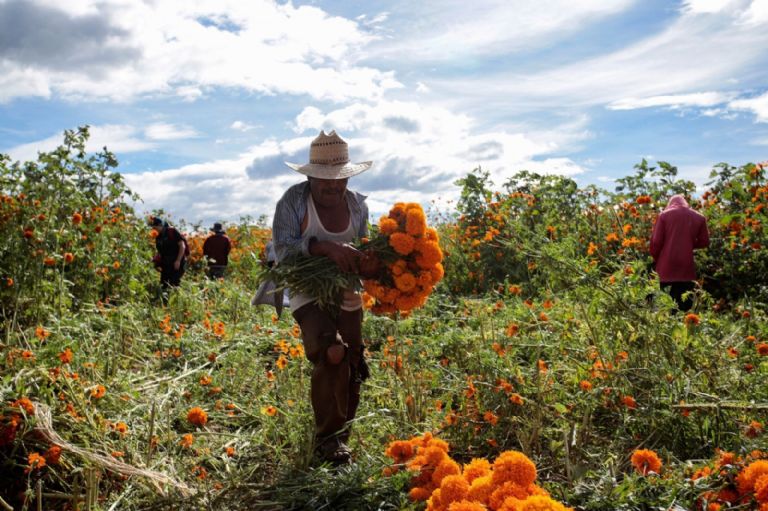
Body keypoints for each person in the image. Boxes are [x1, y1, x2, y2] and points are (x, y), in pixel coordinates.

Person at [272, 130, 378, 465]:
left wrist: (369, 262)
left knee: (353, 360)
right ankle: (328, 441)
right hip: (308, 288)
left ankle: (341, 436)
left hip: (347, 291)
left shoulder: (357, 205)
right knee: (331, 351)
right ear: (311, 176)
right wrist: (324, 247)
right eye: (325, 181)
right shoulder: (293, 201)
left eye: (339, 181)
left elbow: (362, 247)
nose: (333, 187)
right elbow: (284, 251)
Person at [649, 194, 710, 311]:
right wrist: (688, 245)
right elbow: (705, 241)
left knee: (664, 308)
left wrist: (656, 259)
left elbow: (656, 243)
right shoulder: (699, 217)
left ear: (670, 204)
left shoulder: (664, 216)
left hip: (665, 268)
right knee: (684, 307)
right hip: (686, 269)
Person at [150, 217, 187, 297]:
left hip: (177, 262)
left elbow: (182, 246)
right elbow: (160, 252)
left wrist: (178, 260)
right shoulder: (158, 236)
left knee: (174, 284)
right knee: (164, 284)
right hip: (166, 263)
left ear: (161, 225)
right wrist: (155, 261)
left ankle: (177, 302)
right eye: (153, 228)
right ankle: (165, 304)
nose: (154, 230)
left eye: (155, 228)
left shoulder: (172, 231)